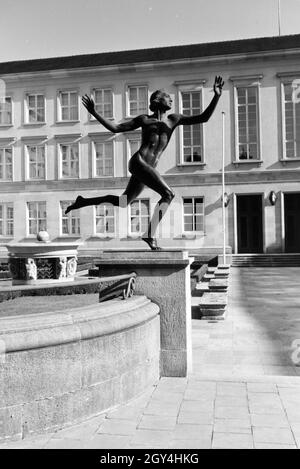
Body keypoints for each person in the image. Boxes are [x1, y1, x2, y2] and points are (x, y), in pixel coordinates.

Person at [65, 76, 224, 250]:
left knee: (123, 201)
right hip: (138, 162)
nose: (171, 99)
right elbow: (116, 128)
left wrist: (216, 96)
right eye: (167, 96)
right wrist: (94, 112)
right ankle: (149, 234)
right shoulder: (144, 120)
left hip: (148, 168)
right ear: (157, 101)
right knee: (168, 194)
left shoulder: (174, 119)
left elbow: (203, 118)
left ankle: (82, 202)